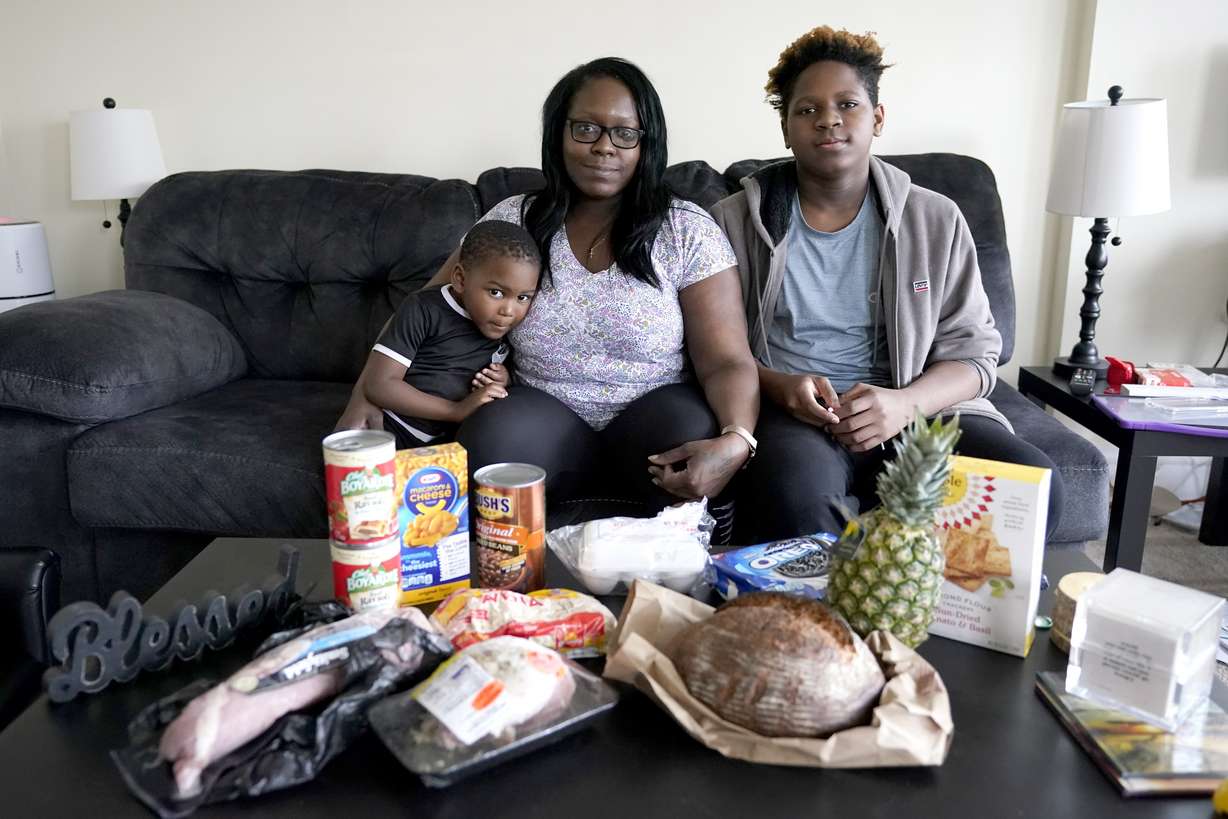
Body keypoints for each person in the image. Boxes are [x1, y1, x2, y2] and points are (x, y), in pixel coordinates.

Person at [341, 57, 759, 512]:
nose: (605, 147)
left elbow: (726, 360)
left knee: (693, 431)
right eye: (586, 129)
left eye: (625, 133)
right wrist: (365, 393)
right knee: (490, 440)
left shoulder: (686, 230)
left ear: (647, 144)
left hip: (656, 413)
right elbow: (428, 307)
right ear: (558, 134)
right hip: (540, 407)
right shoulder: (514, 219)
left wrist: (738, 439)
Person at [710, 26, 1064, 541]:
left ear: (877, 118)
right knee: (796, 500)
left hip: (918, 410)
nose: (828, 119)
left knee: (1033, 489)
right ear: (786, 129)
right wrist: (782, 388)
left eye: (847, 104)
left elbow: (977, 355)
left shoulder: (936, 219)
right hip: (797, 419)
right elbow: (712, 351)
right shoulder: (735, 221)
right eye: (806, 110)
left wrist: (904, 404)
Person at [358, 220, 540, 449]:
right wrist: (455, 411)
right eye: (496, 292)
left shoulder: (504, 327)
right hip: (393, 431)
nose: (509, 311)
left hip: (451, 446)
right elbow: (379, 385)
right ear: (461, 279)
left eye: (523, 297)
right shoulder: (424, 309)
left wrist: (503, 379)